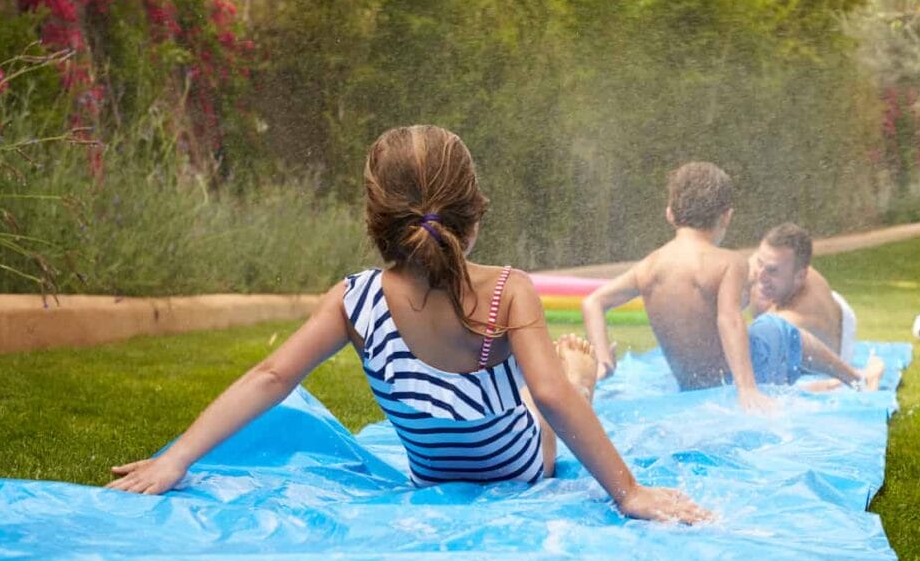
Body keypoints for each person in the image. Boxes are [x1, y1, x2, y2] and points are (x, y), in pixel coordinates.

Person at [109, 125, 710, 525]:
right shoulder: (507, 290)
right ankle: (578, 371)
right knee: (547, 389)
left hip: (470, 465)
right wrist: (630, 494)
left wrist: (177, 459)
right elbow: (550, 397)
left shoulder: (355, 301)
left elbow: (272, 376)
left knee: (548, 394)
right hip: (521, 461)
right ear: (474, 216)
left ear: (376, 219)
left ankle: (579, 374)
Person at [581, 162, 882, 410]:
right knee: (780, 331)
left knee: (769, 331)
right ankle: (855, 378)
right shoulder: (728, 262)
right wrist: (747, 389)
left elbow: (593, 302)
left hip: (690, 386)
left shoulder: (649, 266)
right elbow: (729, 320)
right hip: (733, 380)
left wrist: (604, 360)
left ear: (670, 213)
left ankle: (839, 380)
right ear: (726, 217)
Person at [749, 223, 857, 363]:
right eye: (760, 263)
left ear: (800, 276)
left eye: (772, 271)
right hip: (829, 303)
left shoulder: (794, 318)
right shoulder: (779, 264)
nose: (761, 276)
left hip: (832, 346)